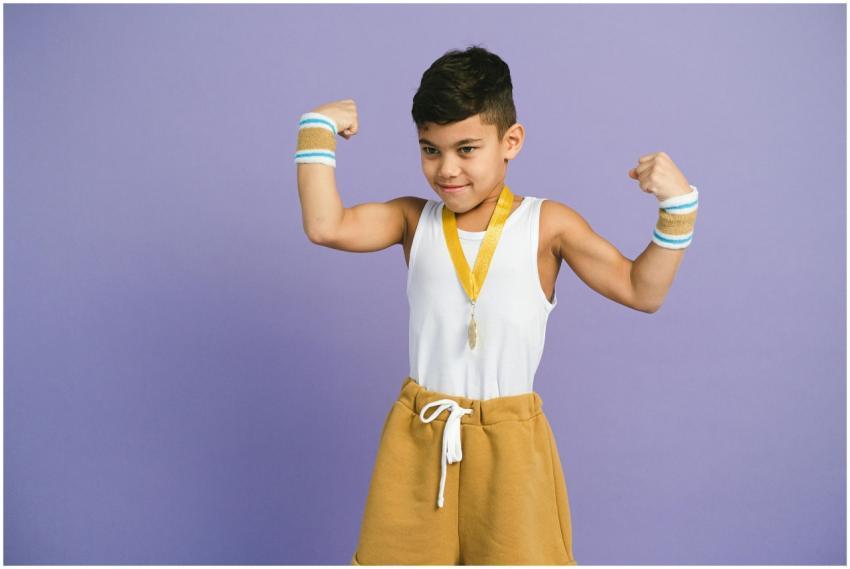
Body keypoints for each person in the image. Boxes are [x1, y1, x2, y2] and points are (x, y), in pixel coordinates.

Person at [294, 44, 699, 566]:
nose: (446, 169)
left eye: (466, 149)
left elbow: (643, 291)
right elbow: (325, 226)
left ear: (511, 141)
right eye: (430, 149)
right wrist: (316, 129)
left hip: (510, 440)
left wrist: (677, 208)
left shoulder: (546, 224)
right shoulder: (412, 220)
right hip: (420, 434)